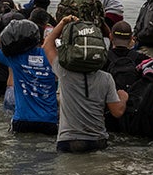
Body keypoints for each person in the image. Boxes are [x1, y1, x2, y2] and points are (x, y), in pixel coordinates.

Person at [44, 15, 127, 153]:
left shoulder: (64, 73)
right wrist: (123, 98)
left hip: (68, 141)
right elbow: (117, 112)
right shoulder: (106, 78)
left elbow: (47, 45)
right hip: (97, 140)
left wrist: (62, 23)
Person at [0, 20, 58, 134]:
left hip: (22, 119)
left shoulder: (14, 58)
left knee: (18, 150)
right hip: (48, 120)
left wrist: (7, 40)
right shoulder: (49, 55)